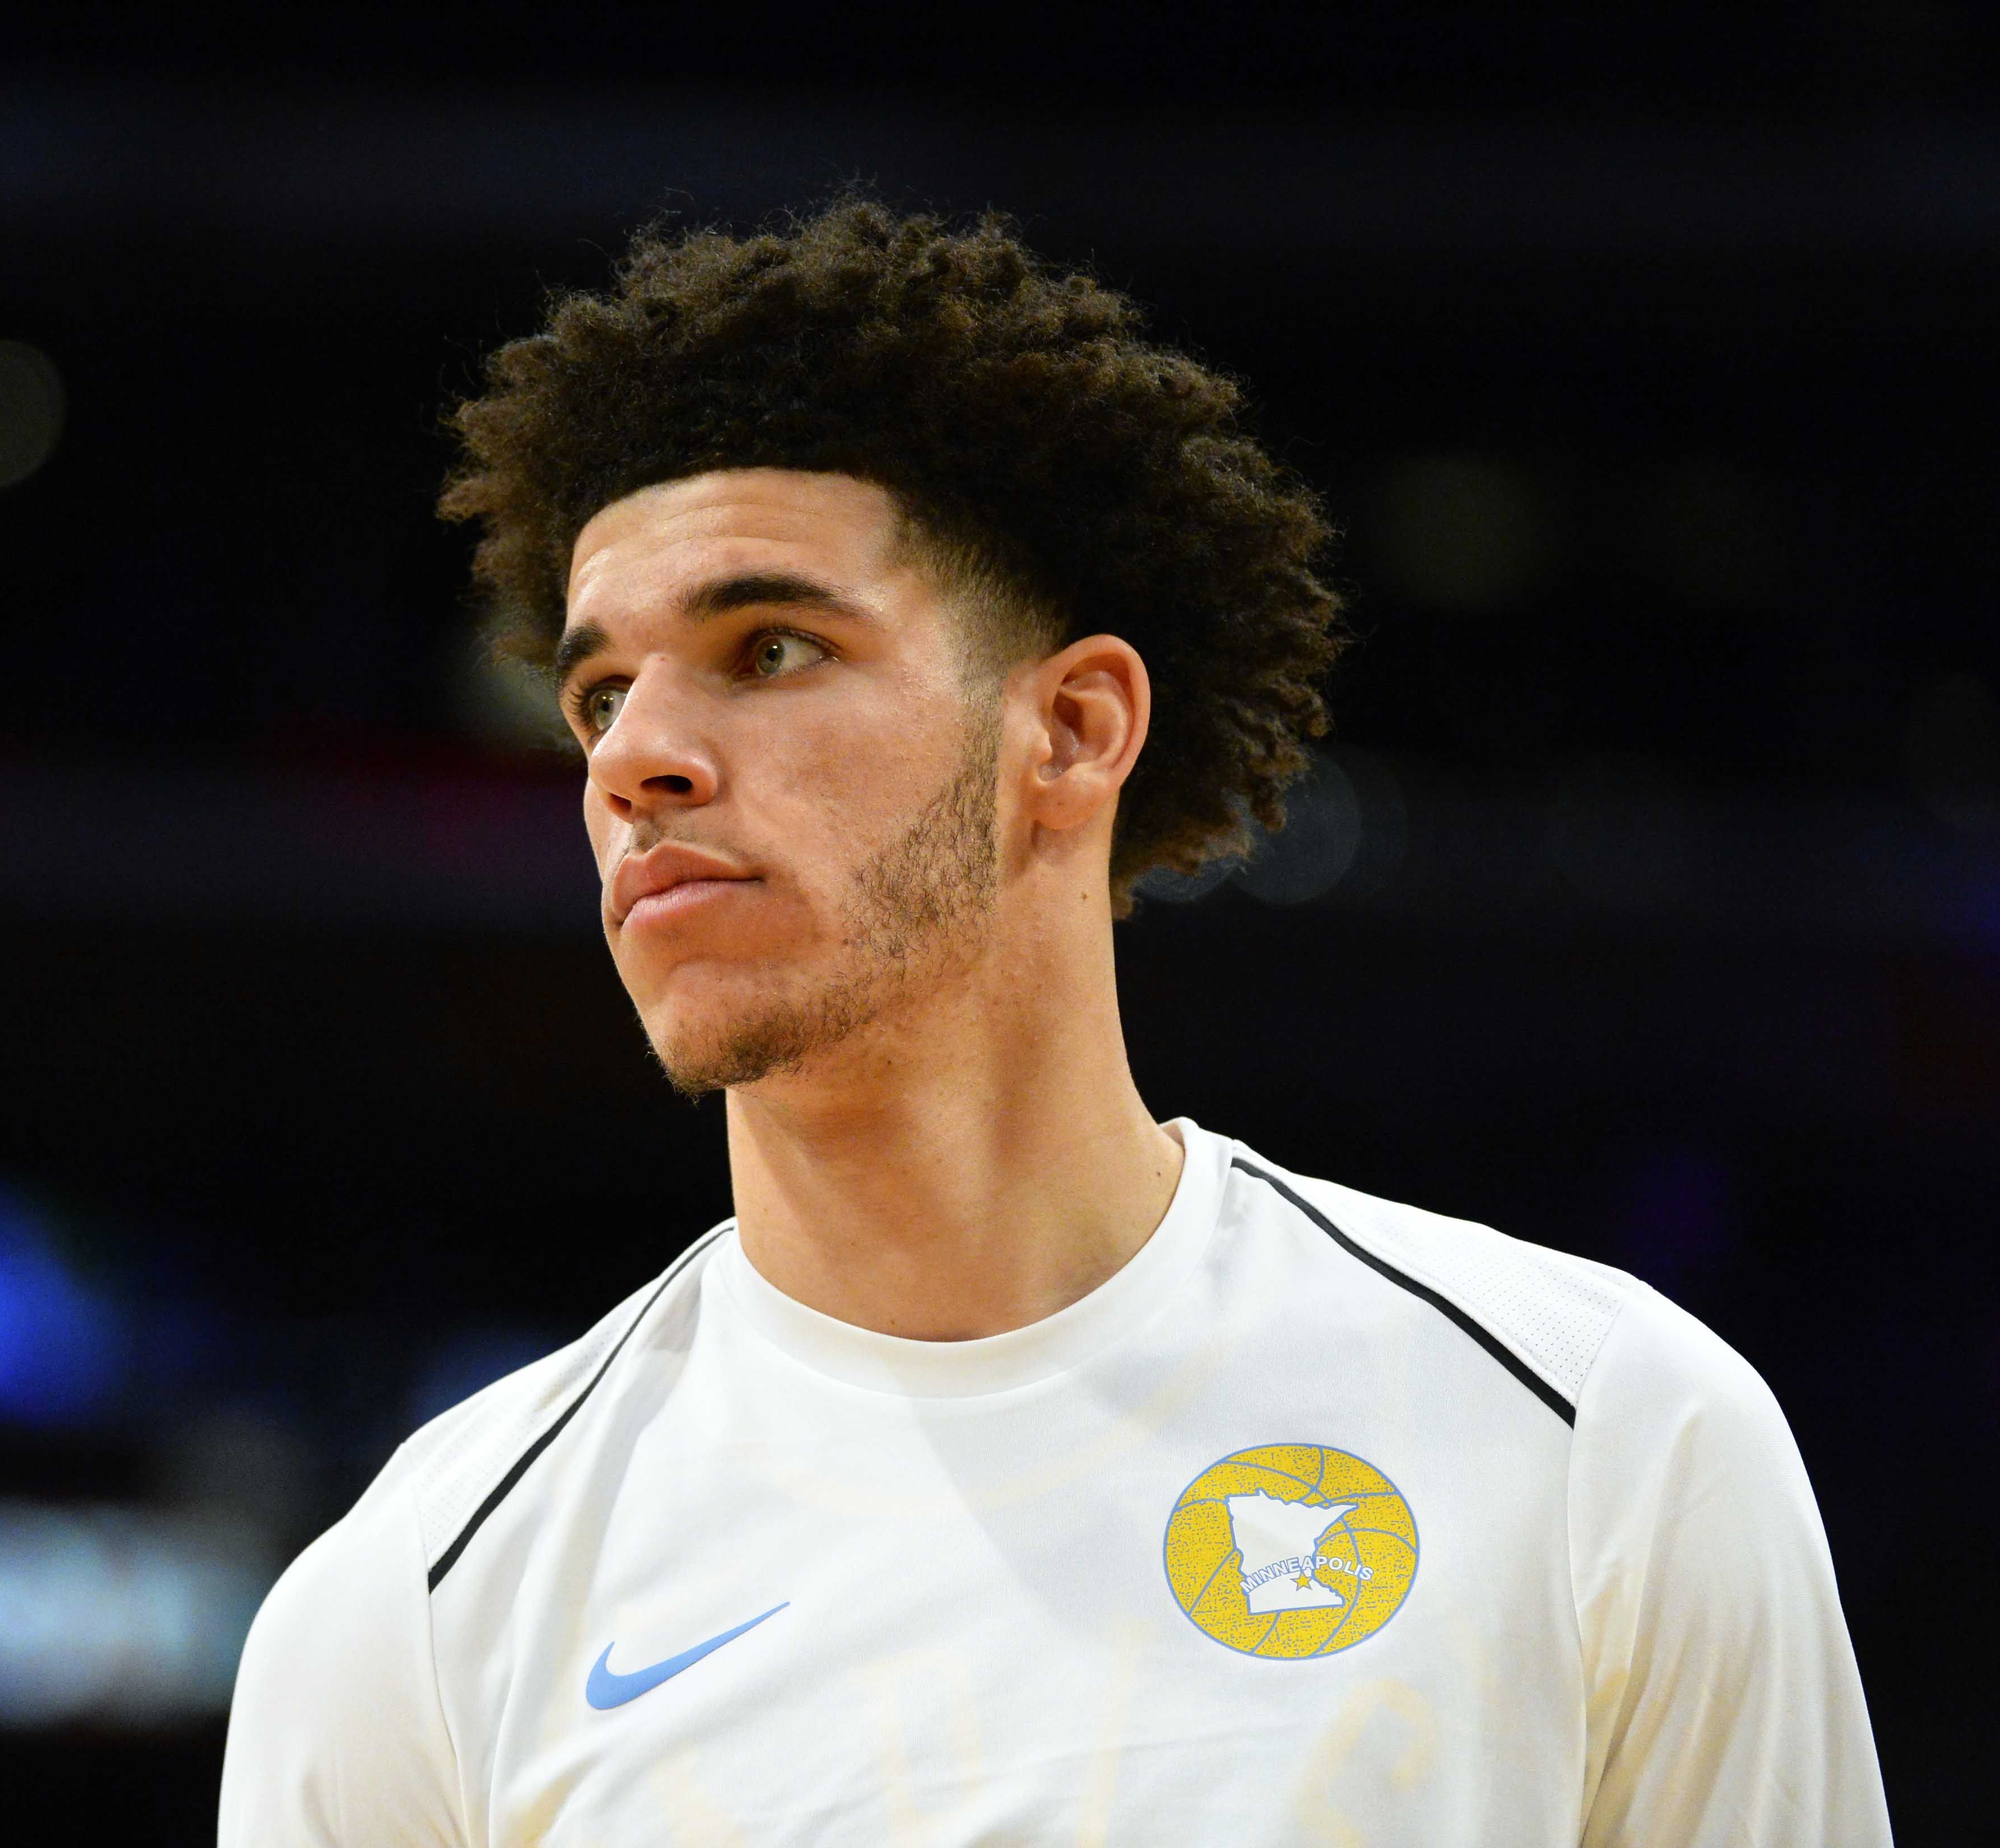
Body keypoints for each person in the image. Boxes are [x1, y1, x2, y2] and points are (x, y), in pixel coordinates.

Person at [216, 202, 1887, 1845]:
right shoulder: (414, 1611)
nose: (633, 758)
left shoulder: (1597, 1439)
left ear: (1074, 731)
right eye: (597, 695)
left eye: (770, 646)